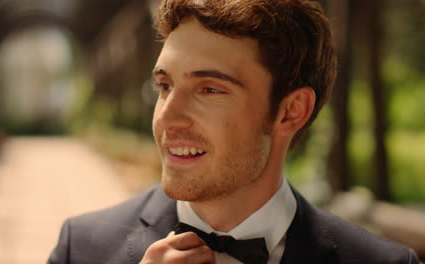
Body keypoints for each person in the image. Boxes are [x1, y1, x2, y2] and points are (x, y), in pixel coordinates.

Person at [47, 0, 420, 263]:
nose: (168, 117)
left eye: (209, 89)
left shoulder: (383, 261)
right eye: (164, 86)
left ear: (291, 111)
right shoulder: (81, 248)